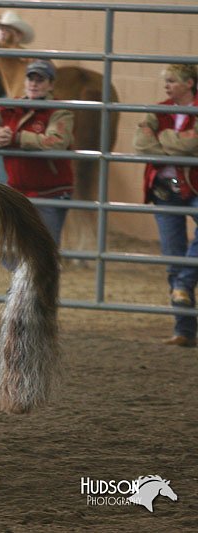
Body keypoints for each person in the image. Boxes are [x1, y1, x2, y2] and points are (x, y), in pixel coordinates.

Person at [0, 59, 74, 247]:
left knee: (45, 249)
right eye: (31, 78)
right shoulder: (10, 108)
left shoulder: (60, 112)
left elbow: (57, 141)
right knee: (4, 246)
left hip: (50, 193)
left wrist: (17, 137)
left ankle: (39, 276)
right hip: (17, 191)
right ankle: (23, 276)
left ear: (51, 84)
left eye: (40, 80)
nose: (34, 84)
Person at [133, 64, 198, 348]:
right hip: (164, 189)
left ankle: (184, 283)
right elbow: (141, 144)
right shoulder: (158, 108)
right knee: (173, 256)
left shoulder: (161, 116)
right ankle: (184, 329)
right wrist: (176, 143)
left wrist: (162, 137)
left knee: (183, 260)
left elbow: (190, 145)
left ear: (189, 83)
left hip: (193, 186)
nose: (167, 86)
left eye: (172, 81)